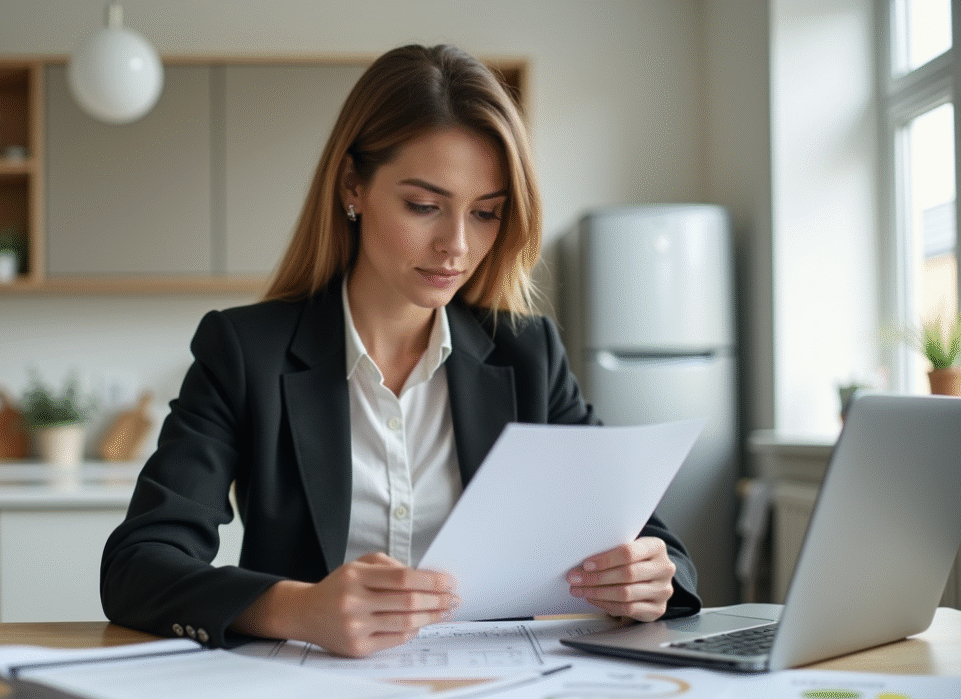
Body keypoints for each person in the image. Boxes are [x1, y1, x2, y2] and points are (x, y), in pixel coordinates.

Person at [100, 43, 702, 658]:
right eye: (423, 206)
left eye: (487, 213)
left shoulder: (527, 355)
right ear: (352, 187)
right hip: (310, 695)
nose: (457, 246)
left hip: (494, 697)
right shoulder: (245, 352)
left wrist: (654, 576)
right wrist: (297, 608)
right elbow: (138, 566)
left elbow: (655, 544)